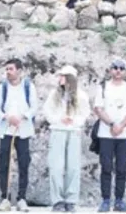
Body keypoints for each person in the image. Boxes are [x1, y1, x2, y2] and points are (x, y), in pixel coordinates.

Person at [95, 59, 126, 212]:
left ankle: (119, 201)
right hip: (106, 134)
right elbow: (99, 109)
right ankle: (106, 200)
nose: (118, 70)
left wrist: (121, 125)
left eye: (121, 68)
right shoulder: (102, 87)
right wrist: (112, 124)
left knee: (122, 168)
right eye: (115, 67)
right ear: (110, 70)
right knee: (106, 168)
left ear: (125, 71)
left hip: (124, 134)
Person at [45, 65, 91, 212]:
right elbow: (47, 111)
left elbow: (85, 113)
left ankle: (71, 200)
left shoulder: (81, 95)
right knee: (56, 166)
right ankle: (57, 200)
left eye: (63, 76)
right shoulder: (54, 94)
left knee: (73, 166)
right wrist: (59, 119)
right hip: (58, 130)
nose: (60, 79)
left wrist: (74, 121)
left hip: (73, 131)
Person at [0, 58, 37, 211]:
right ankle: (4, 197)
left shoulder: (28, 86)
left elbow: (34, 107)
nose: (8, 72)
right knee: (4, 164)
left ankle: (22, 198)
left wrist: (22, 117)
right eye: (6, 69)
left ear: (19, 70)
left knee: (24, 163)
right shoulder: (3, 87)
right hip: (6, 130)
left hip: (23, 130)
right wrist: (7, 117)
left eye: (11, 69)